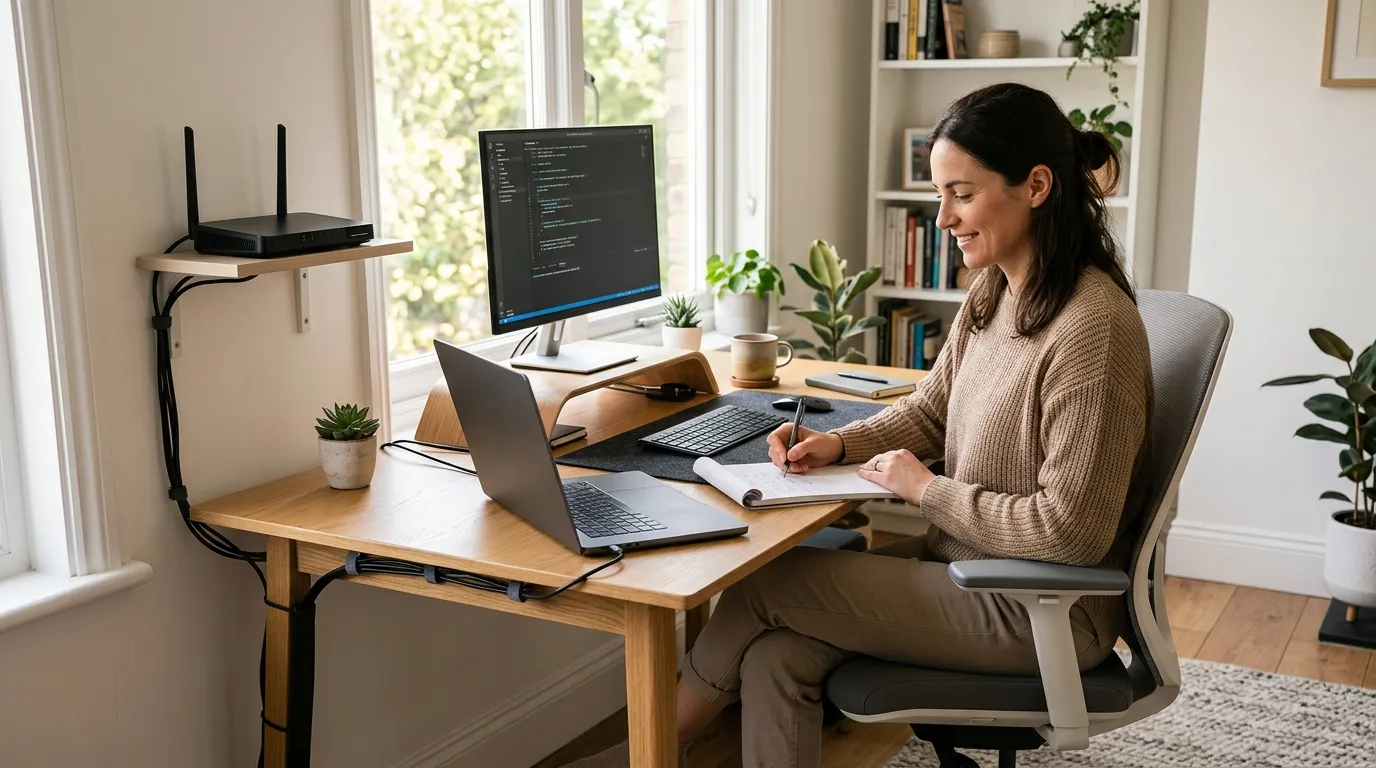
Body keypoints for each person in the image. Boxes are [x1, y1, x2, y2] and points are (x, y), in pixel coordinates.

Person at [565, 81, 1153, 768]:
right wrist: (839, 444)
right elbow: (931, 411)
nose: (942, 218)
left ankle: (650, 752)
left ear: (1037, 186)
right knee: (779, 656)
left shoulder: (1093, 329)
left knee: (768, 584)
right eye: (940, 195)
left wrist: (923, 490)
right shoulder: (996, 291)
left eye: (961, 194)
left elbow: (1072, 534)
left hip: (1038, 610)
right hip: (968, 573)